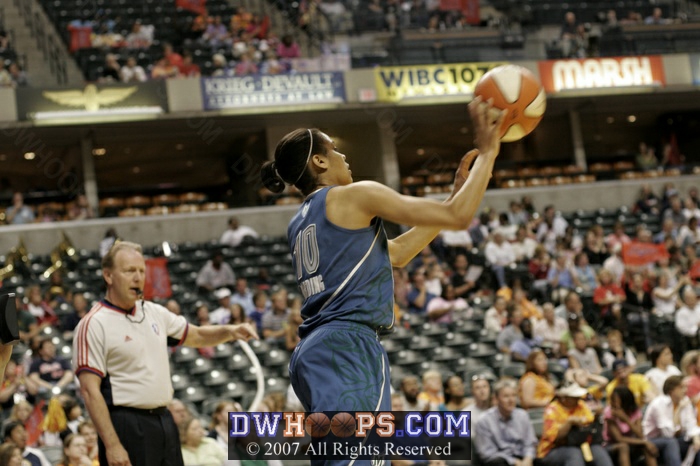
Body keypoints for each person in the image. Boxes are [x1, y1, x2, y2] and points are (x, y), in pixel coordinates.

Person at [261, 99, 505, 424]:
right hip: (348, 345)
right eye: (334, 150)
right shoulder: (355, 194)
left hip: (314, 351)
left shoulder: (300, 221)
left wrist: (452, 198)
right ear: (318, 161)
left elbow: (398, 254)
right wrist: (488, 153)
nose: (343, 156)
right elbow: (459, 218)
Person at [72, 241, 258, 466]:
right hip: (126, 425)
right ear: (108, 275)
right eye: (129, 270)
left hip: (164, 420)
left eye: (141, 271)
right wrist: (112, 445)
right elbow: (90, 391)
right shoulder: (93, 324)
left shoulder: (154, 312)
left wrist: (230, 331)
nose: (138, 277)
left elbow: (197, 335)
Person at [537, 382, 614, 466]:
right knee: (574, 454)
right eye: (574, 397)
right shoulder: (552, 410)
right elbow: (555, 438)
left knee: (598, 450)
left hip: (581, 444)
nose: (578, 399)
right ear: (563, 398)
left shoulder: (581, 405)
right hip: (552, 449)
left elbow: (589, 422)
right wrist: (569, 422)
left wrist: (596, 416)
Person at [475, 378, 538, 466]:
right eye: (506, 396)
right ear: (496, 399)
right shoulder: (484, 421)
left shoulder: (523, 415)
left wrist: (528, 459)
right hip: (502, 460)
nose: (511, 400)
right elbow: (487, 453)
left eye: (513, 395)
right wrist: (514, 462)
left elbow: (530, 443)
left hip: (523, 458)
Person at [643, 375, 700, 466]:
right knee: (671, 443)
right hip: (653, 440)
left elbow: (691, 425)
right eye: (681, 387)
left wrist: (696, 438)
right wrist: (679, 410)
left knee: (697, 440)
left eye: (685, 387)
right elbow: (668, 433)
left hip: (676, 438)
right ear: (671, 390)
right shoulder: (658, 404)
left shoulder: (684, 400)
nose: (685, 390)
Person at [604, 386, 659, 466]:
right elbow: (618, 438)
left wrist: (626, 420)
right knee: (624, 447)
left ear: (624, 401)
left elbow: (640, 435)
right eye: (611, 400)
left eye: (614, 401)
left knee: (647, 448)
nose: (612, 403)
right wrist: (644, 442)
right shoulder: (609, 412)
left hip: (632, 443)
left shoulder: (635, 411)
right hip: (611, 445)